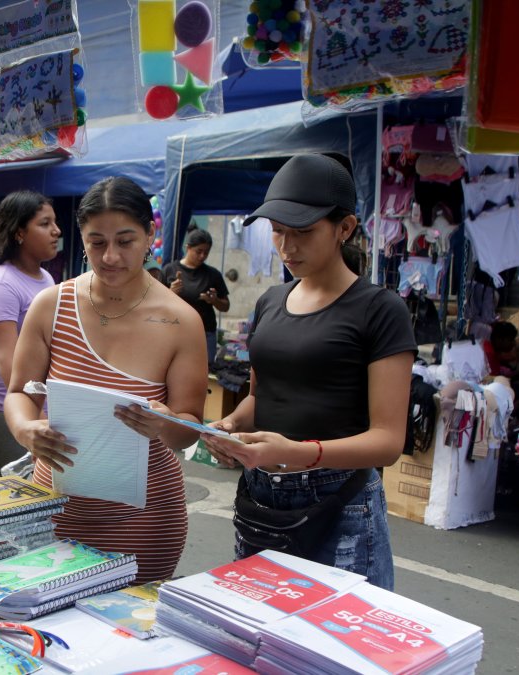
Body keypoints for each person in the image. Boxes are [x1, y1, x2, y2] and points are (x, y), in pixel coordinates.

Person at [199, 154, 415, 591]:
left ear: (345, 228)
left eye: (302, 233)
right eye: (277, 232)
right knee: (262, 637)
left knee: (339, 647)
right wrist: (229, 425)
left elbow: (388, 442)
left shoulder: (380, 309)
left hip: (339, 500)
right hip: (262, 495)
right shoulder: (271, 301)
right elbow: (263, 398)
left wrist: (298, 452)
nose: (287, 247)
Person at [4, 176, 208, 583]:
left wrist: (165, 420)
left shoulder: (181, 320)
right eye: (97, 242)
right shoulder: (52, 305)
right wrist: (26, 429)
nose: (110, 256)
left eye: (125, 241)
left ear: (150, 235)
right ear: (81, 238)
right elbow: (18, 392)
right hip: (55, 509)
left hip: (145, 519)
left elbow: (189, 429)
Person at [0, 191, 60, 479]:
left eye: (54, 222)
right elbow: (9, 366)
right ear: (19, 232)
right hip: (0, 415)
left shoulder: (46, 279)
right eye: (45, 223)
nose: (56, 231)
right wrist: (37, 420)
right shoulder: (0, 285)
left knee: (39, 509)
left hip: (36, 409)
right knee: (4, 511)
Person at [162, 228, 230, 363]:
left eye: (206, 252)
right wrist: (170, 293)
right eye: (198, 251)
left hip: (205, 333)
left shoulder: (213, 274)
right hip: (175, 331)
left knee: (205, 373)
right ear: (188, 248)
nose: (202, 256)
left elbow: (226, 306)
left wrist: (214, 300)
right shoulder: (170, 270)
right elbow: (154, 304)